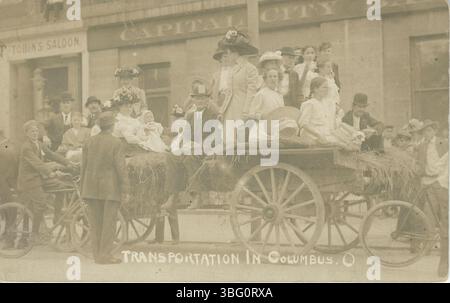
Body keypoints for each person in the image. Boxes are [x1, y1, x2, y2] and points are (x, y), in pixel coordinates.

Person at [81, 112, 130, 264]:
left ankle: (97, 255)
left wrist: (83, 188)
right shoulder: (116, 143)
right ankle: (105, 256)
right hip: (110, 188)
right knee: (108, 223)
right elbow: (121, 168)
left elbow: (84, 167)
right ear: (112, 126)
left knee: (95, 224)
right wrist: (126, 189)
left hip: (90, 188)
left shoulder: (89, 142)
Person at [17, 120, 74, 246]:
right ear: (26, 133)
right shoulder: (26, 147)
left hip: (39, 178)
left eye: (36, 131)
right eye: (32, 131)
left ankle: (57, 215)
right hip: (29, 180)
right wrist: (50, 173)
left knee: (62, 187)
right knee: (41, 204)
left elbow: (52, 155)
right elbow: (38, 164)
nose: (35, 133)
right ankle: (35, 234)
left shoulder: (39, 143)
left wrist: (68, 163)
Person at [415, 120, 448, 277]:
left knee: (444, 217)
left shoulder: (444, 143)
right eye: (424, 132)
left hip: (442, 181)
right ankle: (429, 244)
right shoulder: (422, 146)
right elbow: (421, 165)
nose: (427, 134)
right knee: (429, 214)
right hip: (429, 181)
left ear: (434, 130)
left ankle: (444, 255)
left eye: (429, 131)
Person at [215, 29, 259, 121]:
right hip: (230, 110)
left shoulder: (250, 68)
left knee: (240, 134)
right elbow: (229, 93)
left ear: (235, 52)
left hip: (242, 109)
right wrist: (222, 111)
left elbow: (251, 93)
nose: (227, 56)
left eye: (228, 53)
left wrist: (246, 112)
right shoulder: (232, 69)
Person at [0, 129, 18, 249]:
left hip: (5, 182)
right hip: (10, 182)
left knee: (9, 209)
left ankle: (10, 239)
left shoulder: (4, 148)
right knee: (9, 210)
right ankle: (8, 235)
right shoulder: (9, 145)